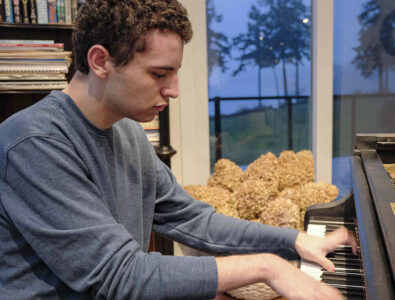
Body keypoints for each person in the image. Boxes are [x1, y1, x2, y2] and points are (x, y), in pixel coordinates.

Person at [0, 0, 358, 299]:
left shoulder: (128, 132)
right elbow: (118, 275)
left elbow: (195, 220)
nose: (173, 90)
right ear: (100, 61)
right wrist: (267, 265)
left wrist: (294, 240)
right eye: (159, 74)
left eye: (175, 74)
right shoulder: (34, 143)